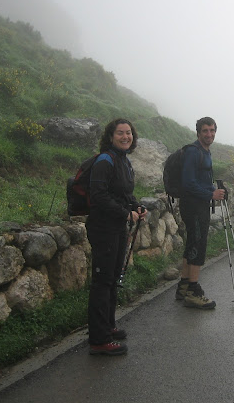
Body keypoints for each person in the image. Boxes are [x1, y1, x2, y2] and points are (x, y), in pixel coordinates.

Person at [87, 118, 147, 355]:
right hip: (103, 228)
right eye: (120, 133)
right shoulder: (105, 160)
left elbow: (124, 193)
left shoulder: (123, 160)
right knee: (102, 282)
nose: (126, 137)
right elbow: (98, 196)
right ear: (110, 136)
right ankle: (99, 340)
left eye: (129, 133)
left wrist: (137, 206)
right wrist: (125, 213)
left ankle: (108, 326)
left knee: (112, 278)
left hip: (117, 227)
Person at [175, 116, 226, 309]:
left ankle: (184, 285)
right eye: (205, 131)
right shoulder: (193, 152)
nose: (209, 134)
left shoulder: (205, 152)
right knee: (198, 243)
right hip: (193, 205)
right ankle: (193, 292)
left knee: (192, 242)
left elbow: (200, 180)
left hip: (198, 204)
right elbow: (188, 183)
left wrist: (213, 190)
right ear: (198, 132)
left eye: (212, 130)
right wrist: (210, 193)